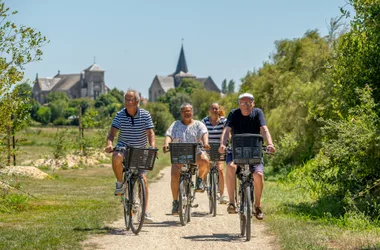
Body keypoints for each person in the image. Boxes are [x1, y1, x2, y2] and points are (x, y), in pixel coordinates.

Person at [219, 93, 275, 220]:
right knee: (231, 167)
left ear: (253, 103)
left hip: (254, 150)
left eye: (249, 102)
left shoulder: (257, 113)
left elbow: (264, 129)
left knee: (258, 175)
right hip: (236, 150)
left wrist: (270, 144)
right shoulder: (234, 114)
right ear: (239, 104)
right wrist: (222, 144)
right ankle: (232, 202)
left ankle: (258, 206)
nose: (246, 105)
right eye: (243, 103)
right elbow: (226, 130)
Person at [105, 89, 156, 223]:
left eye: (130, 99)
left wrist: (152, 146)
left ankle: (144, 212)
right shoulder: (120, 115)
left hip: (139, 150)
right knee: (116, 156)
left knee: (143, 179)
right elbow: (111, 134)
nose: (127, 102)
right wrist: (109, 144)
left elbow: (151, 133)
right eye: (126, 99)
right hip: (124, 148)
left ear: (137, 101)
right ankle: (120, 183)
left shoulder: (145, 115)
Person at [163, 103, 210, 215]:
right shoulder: (176, 124)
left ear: (192, 112)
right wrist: (166, 144)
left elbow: (204, 133)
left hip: (195, 153)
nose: (186, 113)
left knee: (205, 160)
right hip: (180, 154)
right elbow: (169, 135)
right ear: (181, 113)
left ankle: (199, 180)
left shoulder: (199, 124)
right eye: (184, 111)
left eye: (188, 111)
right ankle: (175, 203)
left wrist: (205, 143)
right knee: (174, 175)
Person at [201, 102, 228, 204]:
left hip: (219, 148)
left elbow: (226, 133)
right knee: (206, 165)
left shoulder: (223, 121)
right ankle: (203, 182)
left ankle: (222, 195)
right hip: (207, 147)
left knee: (220, 169)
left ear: (219, 110)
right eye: (212, 108)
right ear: (209, 110)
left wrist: (226, 142)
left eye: (216, 109)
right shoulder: (204, 121)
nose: (214, 110)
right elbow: (201, 132)